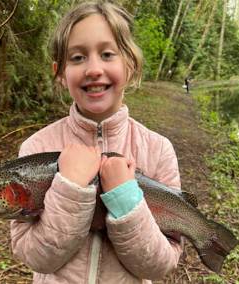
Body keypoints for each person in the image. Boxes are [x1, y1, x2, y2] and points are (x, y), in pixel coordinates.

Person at [10, 2, 182, 283]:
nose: (93, 69)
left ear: (131, 64)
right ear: (60, 73)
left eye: (107, 54)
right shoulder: (35, 148)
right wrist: (70, 189)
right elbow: (34, 257)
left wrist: (126, 199)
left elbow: (159, 265)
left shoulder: (158, 149)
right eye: (77, 58)